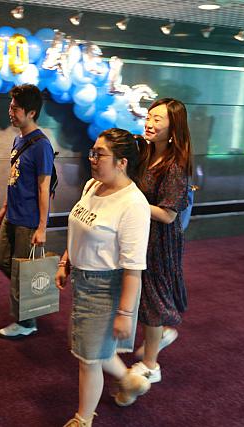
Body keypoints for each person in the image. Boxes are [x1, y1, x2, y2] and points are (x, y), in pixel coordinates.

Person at [56, 129, 152, 427]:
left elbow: (133, 268)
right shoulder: (92, 186)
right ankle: (130, 381)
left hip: (106, 288)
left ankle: (83, 419)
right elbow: (79, 229)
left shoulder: (133, 204)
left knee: (88, 359)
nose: (93, 159)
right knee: (90, 348)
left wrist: (125, 314)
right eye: (92, 152)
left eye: (100, 154)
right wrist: (66, 260)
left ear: (122, 162)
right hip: (82, 281)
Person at [130, 98, 193, 384]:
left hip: (159, 242)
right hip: (140, 235)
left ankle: (151, 366)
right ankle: (161, 334)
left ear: (173, 128)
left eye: (158, 119)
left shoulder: (175, 166)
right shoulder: (145, 153)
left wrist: (131, 203)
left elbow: (168, 215)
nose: (149, 123)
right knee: (143, 297)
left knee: (151, 302)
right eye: (149, 117)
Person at [0, 84, 54, 339]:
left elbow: (43, 187)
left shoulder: (42, 145)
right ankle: (32, 291)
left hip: (29, 221)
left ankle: (26, 322)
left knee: (22, 271)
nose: (11, 112)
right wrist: (4, 207)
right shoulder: (18, 139)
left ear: (31, 112)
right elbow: (14, 178)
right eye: (11, 107)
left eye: (16, 108)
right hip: (13, 215)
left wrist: (42, 227)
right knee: (1, 260)